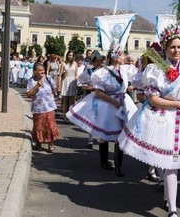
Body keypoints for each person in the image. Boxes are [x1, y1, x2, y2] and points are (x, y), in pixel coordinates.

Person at [118, 24, 180, 217]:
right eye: (172, 47)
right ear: (165, 49)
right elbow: (153, 99)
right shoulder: (155, 69)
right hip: (163, 116)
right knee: (170, 163)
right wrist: (178, 105)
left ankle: (168, 199)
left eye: (179, 47)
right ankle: (172, 209)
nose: (176, 51)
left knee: (171, 164)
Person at [66, 44, 137, 177]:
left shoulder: (125, 70)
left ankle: (118, 165)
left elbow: (137, 77)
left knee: (121, 136)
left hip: (123, 103)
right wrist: (114, 102)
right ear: (116, 57)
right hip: (110, 104)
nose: (124, 57)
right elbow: (98, 92)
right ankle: (104, 162)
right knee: (105, 135)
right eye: (121, 55)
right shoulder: (104, 72)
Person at [26, 62, 59, 153]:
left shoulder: (48, 78)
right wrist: (37, 86)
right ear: (35, 72)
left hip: (49, 107)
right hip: (38, 108)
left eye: (43, 70)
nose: (42, 72)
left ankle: (50, 144)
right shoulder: (31, 81)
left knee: (50, 126)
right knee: (39, 126)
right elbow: (28, 94)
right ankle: (38, 143)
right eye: (40, 70)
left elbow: (54, 88)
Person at [77, 50, 104, 148]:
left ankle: (102, 137)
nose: (99, 63)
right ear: (93, 62)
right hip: (92, 96)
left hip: (103, 96)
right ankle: (90, 138)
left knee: (102, 117)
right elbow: (83, 83)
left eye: (100, 61)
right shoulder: (88, 71)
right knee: (92, 117)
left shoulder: (105, 71)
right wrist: (87, 86)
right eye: (97, 61)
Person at [58, 51, 78, 123]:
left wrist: (75, 83)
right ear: (67, 55)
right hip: (66, 81)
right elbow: (60, 75)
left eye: (72, 55)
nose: (70, 57)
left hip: (72, 82)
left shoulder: (75, 64)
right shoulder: (63, 64)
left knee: (72, 101)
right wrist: (59, 84)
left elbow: (76, 74)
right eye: (69, 55)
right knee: (65, 100)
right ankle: (65, 116)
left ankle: (70, 116)